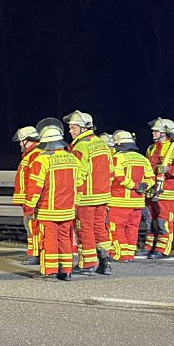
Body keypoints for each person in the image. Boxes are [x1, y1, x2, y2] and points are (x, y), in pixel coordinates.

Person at [24, 125, 84, 281]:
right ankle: (66, 271)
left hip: (47, 210)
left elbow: (35, 188)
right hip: (68, 209)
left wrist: (29, 207)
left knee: (49, 240)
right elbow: (80, 185)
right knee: (65, 239)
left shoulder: (41, 160)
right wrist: (75, 204)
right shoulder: (73, 158)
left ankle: (50, 271)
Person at [65, 110, 113, 275]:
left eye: (73, 128)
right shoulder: (102, 144)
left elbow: (79, 174)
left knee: (84, 229)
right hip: (103, 196)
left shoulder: (81, 146)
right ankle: (105, 263)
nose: (70, 131)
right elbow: (111, 170)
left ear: (83, 128)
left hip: (86, 197)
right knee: (100, 228)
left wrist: (74, 196)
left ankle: (87, 264)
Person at [143, 117, 174, 258]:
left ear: (165, 132)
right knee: (149, 219)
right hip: (151, 189)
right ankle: (149, 247)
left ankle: (162, 249)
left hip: (166, 191)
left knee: (163, 220)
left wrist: (168, 169)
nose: (153, 134)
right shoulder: (151, 148)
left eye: (156, 131)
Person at [108, 130, 154, 262]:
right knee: (132, 228)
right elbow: (151, 178)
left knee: (116, 228)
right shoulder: (143, 159)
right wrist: (143, 186)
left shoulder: (117, 158)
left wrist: (133, 185)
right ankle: (129, 255)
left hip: (119, 202)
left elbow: (118, 177)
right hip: (138, 202)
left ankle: (119, 254)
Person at [10, 125, 42, 265]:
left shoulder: (35, 154)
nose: (19, 144)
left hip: (32, 200)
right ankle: (33, 253)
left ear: (27, 140)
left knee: (33, 226)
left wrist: (30, 200)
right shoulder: (31, 154)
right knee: (30, 226)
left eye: (21, 141)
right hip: (29, 199)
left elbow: (34, 180)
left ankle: (34, 255)